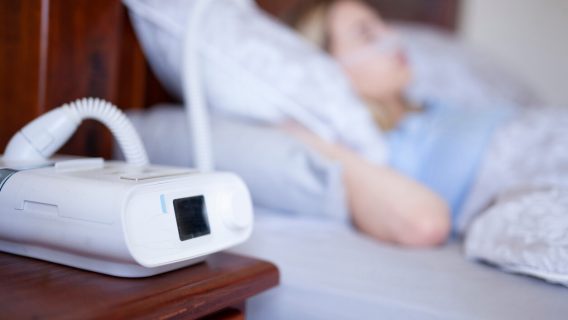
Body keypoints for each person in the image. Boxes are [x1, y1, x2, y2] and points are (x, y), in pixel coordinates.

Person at [278, 0, 568, 247]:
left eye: (381, 23)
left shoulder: (429, 106)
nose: (391, 35)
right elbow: (422, 223)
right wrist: (307, 139)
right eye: (366, 34)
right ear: (326, 68)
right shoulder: (378, 148)